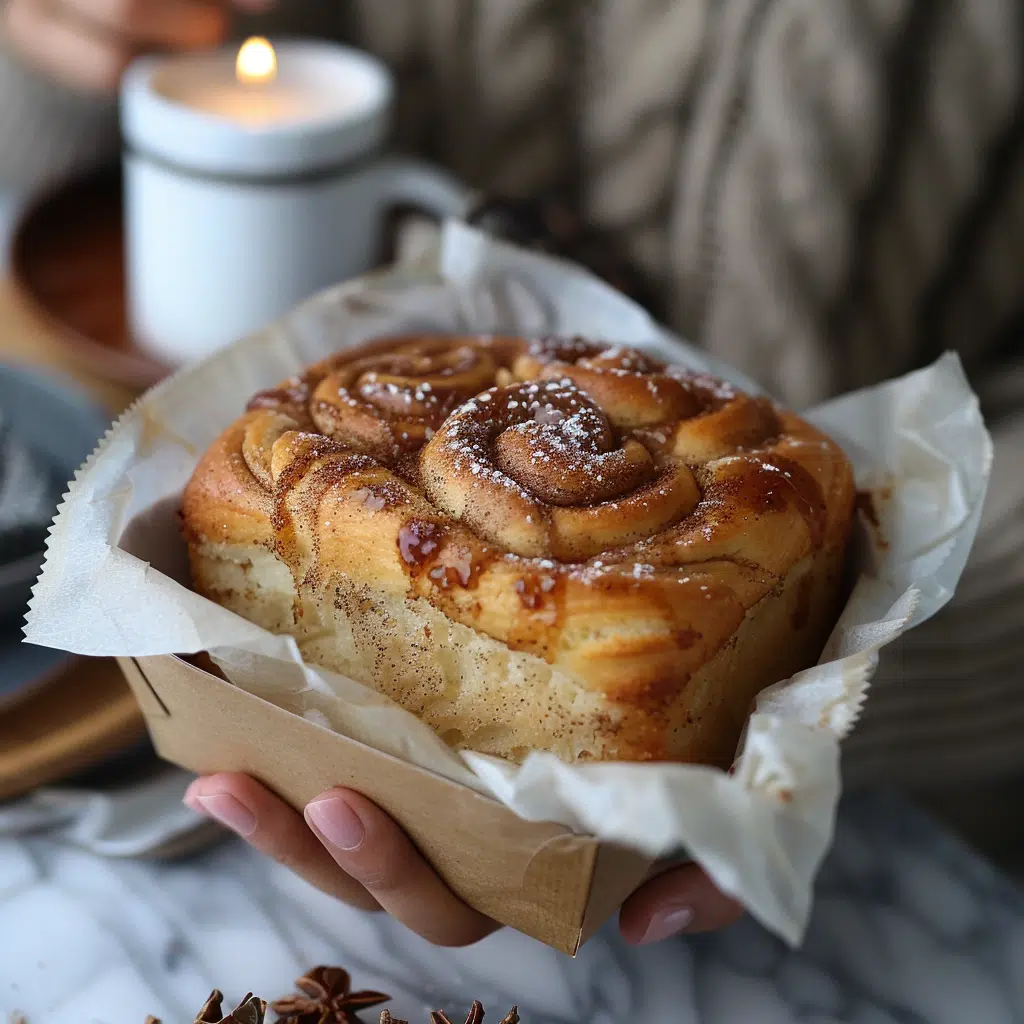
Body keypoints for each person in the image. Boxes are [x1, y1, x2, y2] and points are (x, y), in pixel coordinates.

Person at [3, 0, 1023, 943]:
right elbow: (110, 134)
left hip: (917, 847)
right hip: (326, 406)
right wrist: (75, 43)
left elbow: (722, 654)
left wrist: (838, 686)